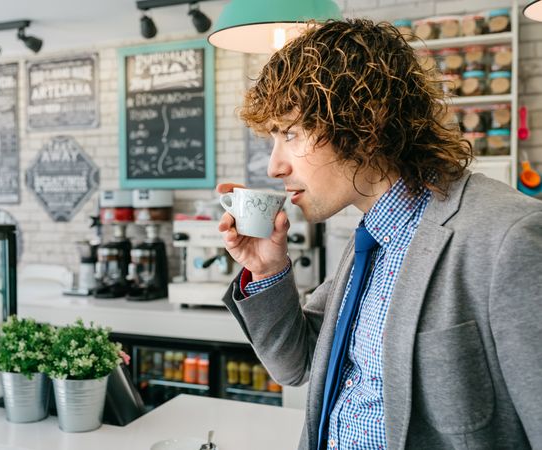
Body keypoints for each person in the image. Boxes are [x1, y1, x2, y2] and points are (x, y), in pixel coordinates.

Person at [217, 19, 542, 450]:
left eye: (290, 134)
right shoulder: (371, 237)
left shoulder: (509, 238)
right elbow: (295, 366)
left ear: (364, 123)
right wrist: (267, 269)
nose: (274, 167)